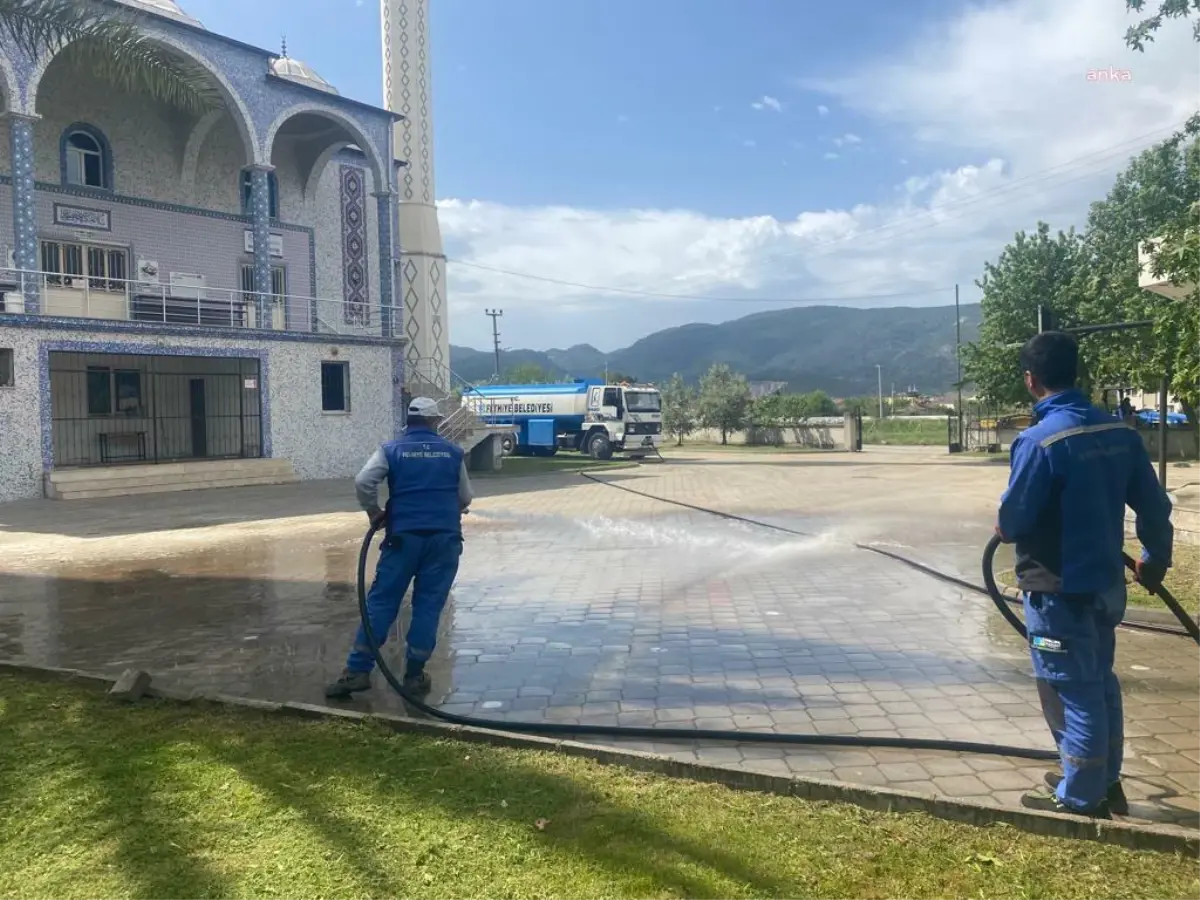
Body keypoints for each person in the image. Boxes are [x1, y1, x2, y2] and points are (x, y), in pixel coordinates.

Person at [996, 332, 1173, 818]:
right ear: (1077, 374)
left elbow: (1013, 522)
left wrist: (1002, 522)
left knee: (1071, 688)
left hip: (1057, 588)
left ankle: (1079, 797)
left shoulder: (1038, 441)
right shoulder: (1120, 433)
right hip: (1105, 587)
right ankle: (1103, 780)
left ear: (1031, 380)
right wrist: (1155, 559)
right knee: (1097, 679)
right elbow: (1155, 507)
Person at [326, 396, 473, 699]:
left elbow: (363, 481)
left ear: (409, 421)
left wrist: (372, 511)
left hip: (403, 539)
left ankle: (356, 671)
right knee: (428, 606)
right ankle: (414, 675)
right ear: (435, 421)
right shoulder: (453, 453)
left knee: (382, 603)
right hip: (443, 542)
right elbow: (466, 498)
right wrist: (448, 508)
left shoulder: (391, 450)